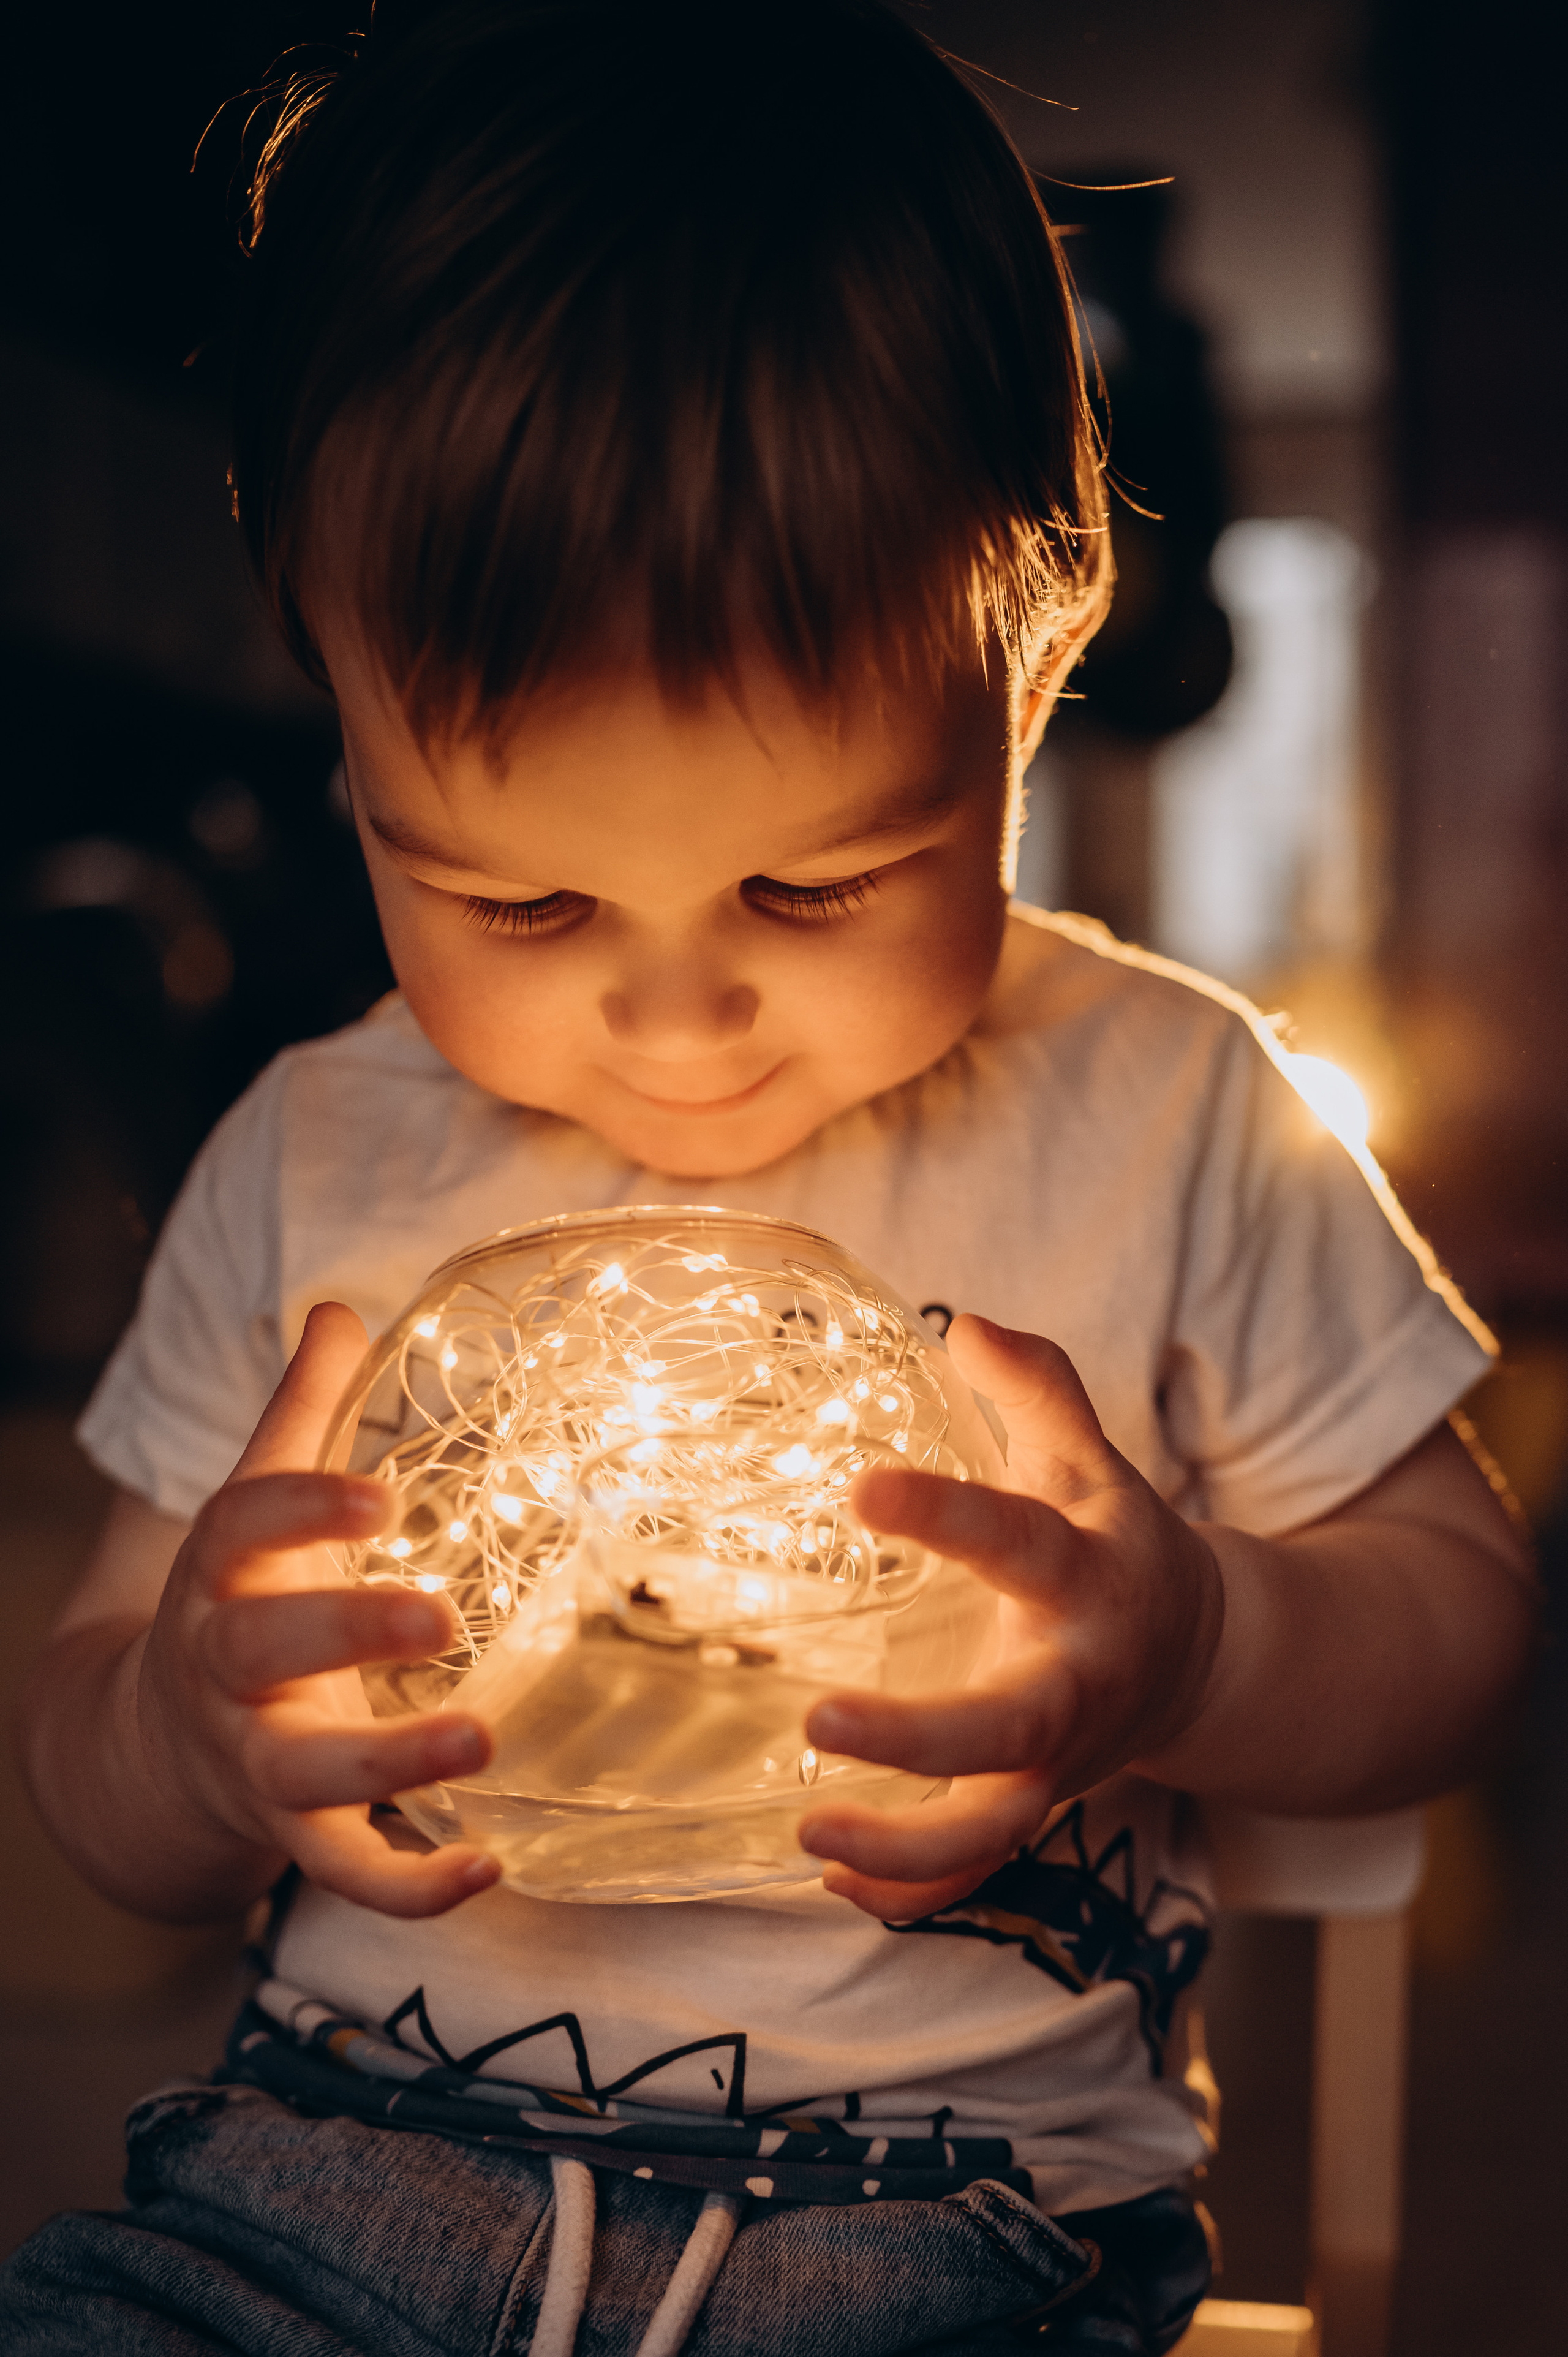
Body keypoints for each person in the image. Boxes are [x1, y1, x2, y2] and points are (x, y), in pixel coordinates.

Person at [4, 4, 1534, 2350]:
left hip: (947, 2240)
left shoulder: (1174, 1111)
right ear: (343, 727)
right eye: (519, 906)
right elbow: (97, 1757)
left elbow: (1457, 1616)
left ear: (1032, 675)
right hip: (311, 2196)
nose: (677, 1022)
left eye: (815, 889)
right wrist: (192, 1722)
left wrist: (1201, 1642)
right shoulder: (314, 1143)